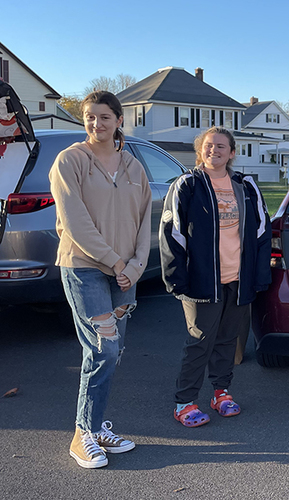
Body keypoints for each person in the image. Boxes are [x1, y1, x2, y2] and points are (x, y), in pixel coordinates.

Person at [50, 91, 151, 468]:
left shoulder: (134, 167)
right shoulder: (69, 161)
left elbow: (144, 221)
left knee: (113, 353)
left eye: (105, 117)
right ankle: (83, 434)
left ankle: (94, 425)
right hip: (84, 267)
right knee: (102, 349)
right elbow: (75, 222)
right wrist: (115, 262)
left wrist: (137, 265)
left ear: (119, 120)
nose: (97, 123)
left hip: (126, 272)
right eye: (90, 117)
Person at [160, 127, 272, 427]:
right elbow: (172, 233)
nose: (214, 151)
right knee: (200, 341)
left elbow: (262, 233)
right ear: (201, 151)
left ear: (232, 152)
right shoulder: (188, 185)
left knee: (227, 341)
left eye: (221, 146)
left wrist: (259, 276)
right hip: (202, 281)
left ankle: (221, 393)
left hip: (238, 278)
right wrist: (175, 277)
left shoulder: (246, 186)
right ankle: (185, 401)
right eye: (209, 146)